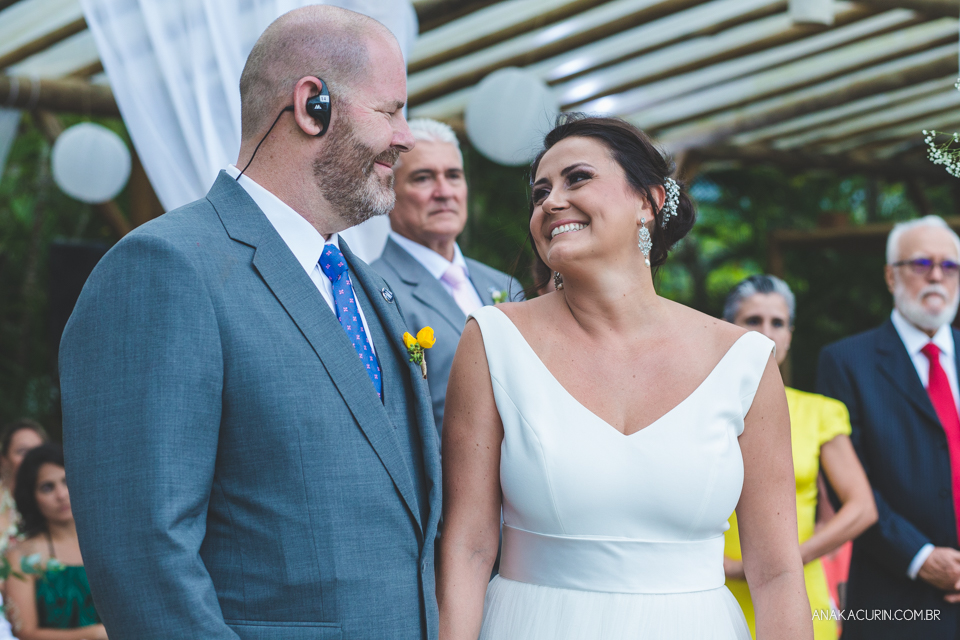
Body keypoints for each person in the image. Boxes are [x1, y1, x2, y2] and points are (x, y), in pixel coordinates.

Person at [59, 6, 440, 640]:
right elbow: (144, 556)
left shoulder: (362, 284)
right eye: (389, 111)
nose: (405, 136)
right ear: (311, 104)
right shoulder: (165, 269)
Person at [436, 115, 813, 640]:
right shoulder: (494, 340)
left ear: (648, 202)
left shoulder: (744, 361)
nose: (550, 201)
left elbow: (775, 571)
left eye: (578, 178)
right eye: (540, 191)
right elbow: (469, 546)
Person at [817, 215, 960, 639]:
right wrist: (921, 557)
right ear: (890, 275)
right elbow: (847, 483)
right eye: (921, 264)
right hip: (894, 599)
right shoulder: (845, 362)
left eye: (949, 265)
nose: (936, 275)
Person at [722, 274, 878, 639]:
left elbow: (862, 507)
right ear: (727, 327)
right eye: (752, 320)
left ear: (791, 334)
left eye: (778, 322)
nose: (767, 332)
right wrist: (721, 566)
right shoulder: (702, 407)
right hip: (717, 588)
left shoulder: (821, 412)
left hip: (797, 592)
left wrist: (789, 559)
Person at [372, 118, 522, 433]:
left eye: (453, 176)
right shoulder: (374, 289)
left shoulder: (504, 285)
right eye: (423, 178)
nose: (444, 192)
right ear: (389, 189)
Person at [4, 443, 104, 640]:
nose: (61, 494)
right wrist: (93, 634)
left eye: (67, 481)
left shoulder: (108, 543)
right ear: (32, 496)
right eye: (47, 487)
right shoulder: (21, 556)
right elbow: (24, 632)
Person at [0, 419, 47, 553]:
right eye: (22, 451)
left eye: (38, 451)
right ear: (3, 460)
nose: (31, 458)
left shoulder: (57, 502)